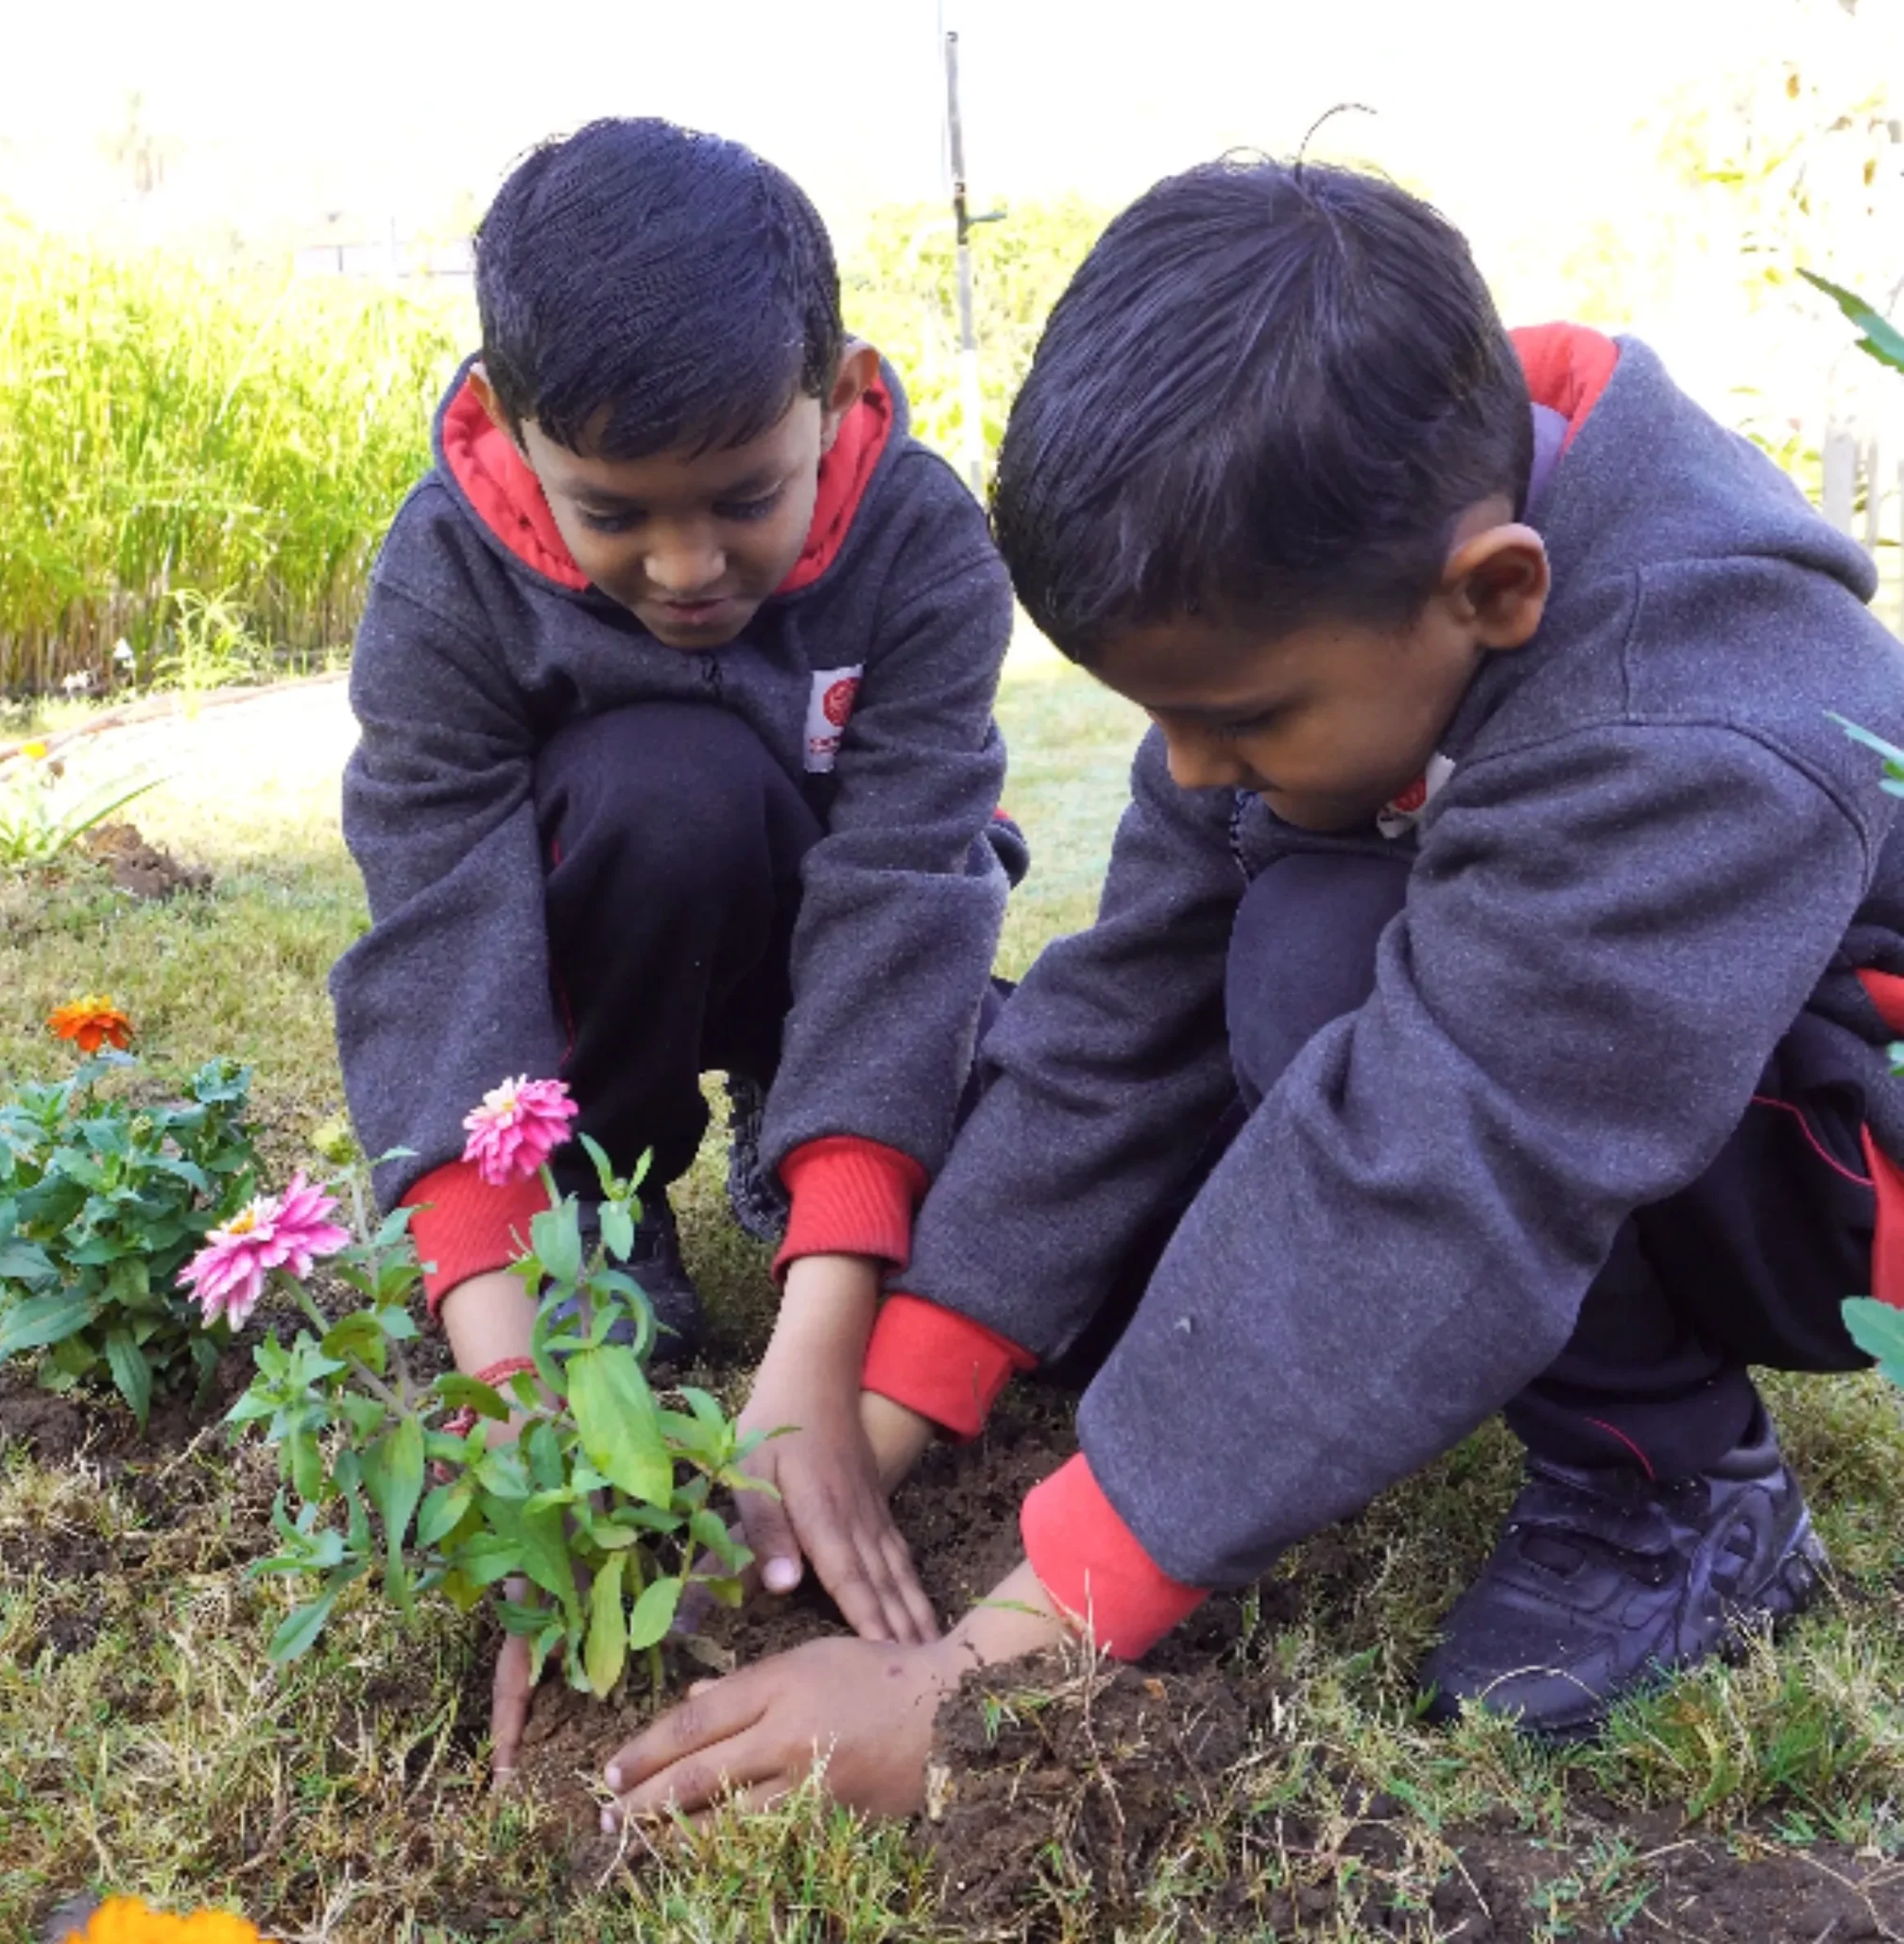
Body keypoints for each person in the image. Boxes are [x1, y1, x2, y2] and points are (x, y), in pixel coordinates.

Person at [600, 154, 1904, 1826]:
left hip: (1849, 1155)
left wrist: (976, 1672)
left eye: (1245, 721)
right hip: (1665, 1074)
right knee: (1270, 932)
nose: (1193, 769)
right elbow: (1117, 1022)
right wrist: (882, 1407)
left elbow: (1432, 1181)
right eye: (1162, 718)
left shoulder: (1688, 723)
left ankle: (1680, 1496)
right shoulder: (1329, 561)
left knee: (1317, 966)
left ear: (1495, 591)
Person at [328, 115, 1026, 1776]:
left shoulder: (925, 543)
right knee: (659, 782)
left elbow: (911, 891)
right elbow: (444, 936)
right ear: (506, 430)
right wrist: (515, 1409)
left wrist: (823, 1336)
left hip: (829, 944)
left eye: (743, 498)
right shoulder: (444, 575)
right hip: (599, 940)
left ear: (836, 393)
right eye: (616, 514)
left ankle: (812, 1181)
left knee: (1017, 1101)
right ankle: (606, 1229)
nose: (690, 565)